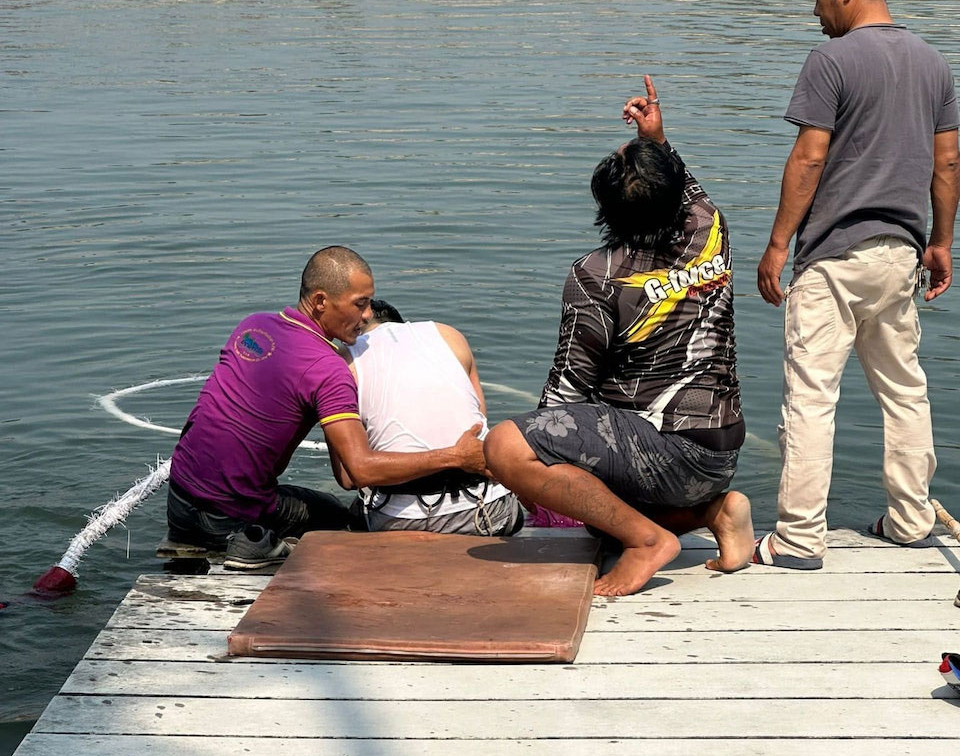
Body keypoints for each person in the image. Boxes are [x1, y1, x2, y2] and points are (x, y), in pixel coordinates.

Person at [484, 77, 754, 597]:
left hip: (663, 453)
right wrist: (657, 139)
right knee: (596, 517)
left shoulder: (598, 274)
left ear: (605, 212)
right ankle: (714, 512)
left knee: (508, 449)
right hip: (719, 451)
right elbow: (683, 186)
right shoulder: (710, 228)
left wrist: (524, 470)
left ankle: (649, 542)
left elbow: (566, 389)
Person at [755, 0, 960, 568]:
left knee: (812, 394)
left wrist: (778, 244)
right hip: (900, 253)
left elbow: (810, 157)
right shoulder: (932, 62)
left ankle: (798, 537)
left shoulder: (831, 61)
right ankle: (910, 521)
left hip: (834, 257)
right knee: (905, 390)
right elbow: (947, 164)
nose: (814, 9)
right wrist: (942, 241)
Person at [164, 246, 487, 566]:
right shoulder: (328, 369)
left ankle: (215, 538)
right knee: (337, 516)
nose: (366, 315)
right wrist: (455, 456)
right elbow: (359, 470)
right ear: (320, 301)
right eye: (359, 304)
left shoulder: (253, 326)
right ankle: (258, 548)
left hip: (180, 497)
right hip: (232, 513)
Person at [342, 300, 524, 535]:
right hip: (489, 513)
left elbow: (348, 477)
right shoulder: (449, 335)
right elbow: (477, 429)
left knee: (349, 514)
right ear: (402, 325)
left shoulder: (343, 359)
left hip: (399, 522)